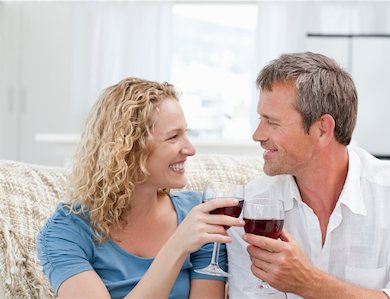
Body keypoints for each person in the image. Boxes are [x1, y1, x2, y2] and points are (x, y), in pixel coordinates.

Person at [227, 52, 390, 298]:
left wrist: (310, 283)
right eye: (260, 118)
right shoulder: (248, 207)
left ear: (322, 129)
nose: (257, 135)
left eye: (272, 122)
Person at [37, 77, 245, 299]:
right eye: (174, 137)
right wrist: (176, 246)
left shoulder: (199, 215)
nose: (190, 149)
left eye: (187, 133)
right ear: (128, 149)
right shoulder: (67, 231)